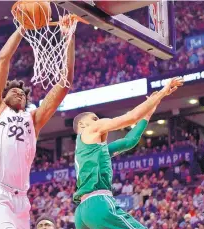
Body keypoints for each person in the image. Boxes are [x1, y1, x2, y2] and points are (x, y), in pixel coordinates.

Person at [0, 16, 76, 229]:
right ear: (3, 96)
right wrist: (22, 29)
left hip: (21, 200)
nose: (19, 94)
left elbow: (65, 84)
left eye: (23, 93)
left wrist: (69, 38)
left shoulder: (33, 119)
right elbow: (2, 60)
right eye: (14, 91)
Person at [72, 77, 184, 229]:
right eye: (95, 119)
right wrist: (163, 92)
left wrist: (149, 111)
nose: (99, 121)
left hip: (81, 213)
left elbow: (129, 141)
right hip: (97, 203)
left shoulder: (90, 150)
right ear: (82, 124)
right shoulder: (89, 130)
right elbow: (131, 117)